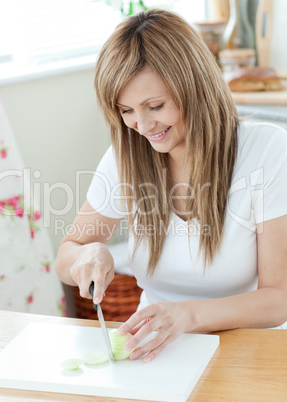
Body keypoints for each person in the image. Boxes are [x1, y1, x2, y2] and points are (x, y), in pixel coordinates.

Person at [55, 9, 287, 363]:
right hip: (157, 349)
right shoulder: (126, 157)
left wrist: (187, 316)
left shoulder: (267, 151)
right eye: (126, 110)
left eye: (155, 106)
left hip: (250, 350)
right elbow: (67, 253)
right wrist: (85, 255)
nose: (142, 125)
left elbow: (278, 299)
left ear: (195, 87)